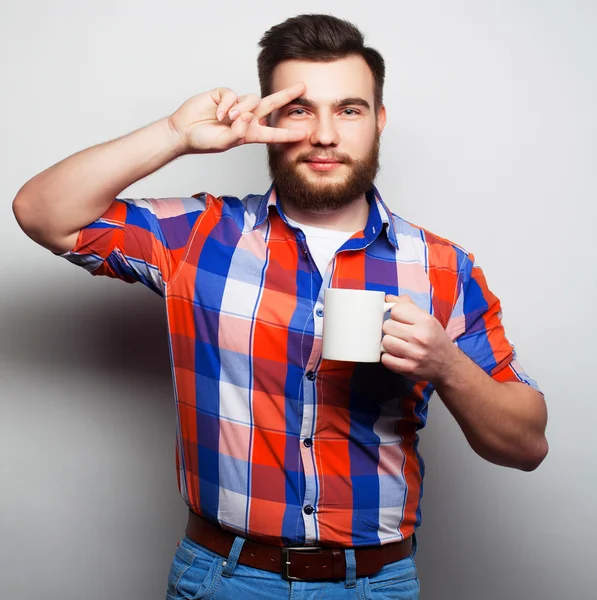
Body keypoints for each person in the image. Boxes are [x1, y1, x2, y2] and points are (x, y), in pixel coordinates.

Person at [12, 13, 548, 600]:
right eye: (299, 110)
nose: (324, 134)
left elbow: (526, 445)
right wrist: (174, 132)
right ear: (267, 119)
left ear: (379, 121)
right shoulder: (200, 236)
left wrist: (447, 364)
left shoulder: (444, 268)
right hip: (223, 579)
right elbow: (43, 213)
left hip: (376, 584)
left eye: (349, 109)